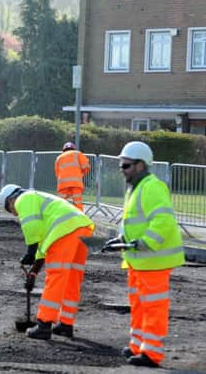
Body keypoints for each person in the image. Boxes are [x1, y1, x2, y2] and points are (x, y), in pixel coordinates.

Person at [106, 141, 184, 367]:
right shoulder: (136, 187)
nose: (122, 170)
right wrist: (122, 239)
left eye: (126, 166)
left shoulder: (152, 186)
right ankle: (137, 346)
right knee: (139, 304)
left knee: (153, 307)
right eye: (122, 165)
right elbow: (134, 223)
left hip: (153, 261)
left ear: (140, 165)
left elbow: (163, 220)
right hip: (139, 261)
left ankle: (151, 353)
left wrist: (145, 243)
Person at [0, 184, 95, 340]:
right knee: (71, 279)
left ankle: (44, 324)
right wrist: (34, 272)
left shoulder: (24, 198)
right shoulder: (42, 204)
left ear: (10, 201)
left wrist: (29, 252)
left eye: (10, 210)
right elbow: (43, 247)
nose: (15, 214)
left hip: (65, 231)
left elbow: (31, 226)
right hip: (81, 229)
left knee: (55, 277)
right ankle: (65, 324)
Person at [54, 142, 90, 211]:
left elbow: (57, 173)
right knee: (78, 203)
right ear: (74, 148)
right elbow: (86, 166)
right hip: (76, 183)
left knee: (60, 204)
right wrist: (81, 174)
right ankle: (79, 219)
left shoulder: (59, 158)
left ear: (63, 149)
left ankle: (58, 218)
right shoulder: (78, 154)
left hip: (63, 184)